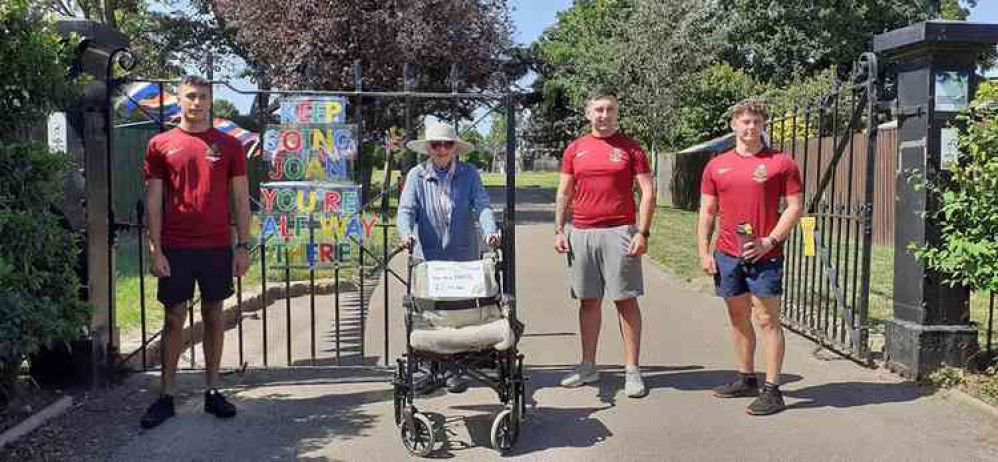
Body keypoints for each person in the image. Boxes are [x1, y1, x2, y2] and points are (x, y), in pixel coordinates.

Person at [140, 75, 252, 429]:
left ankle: (213, 390)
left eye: (203, 97)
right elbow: (154, 200)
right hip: (176, 246)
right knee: (174, 317)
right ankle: (166, 395)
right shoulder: (160, 144)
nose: (197, 102)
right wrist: (155, 248)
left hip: (217, 245)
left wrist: (243, 245)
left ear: (209, 101)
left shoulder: (230, 145)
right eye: (190, 96)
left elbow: (240, 198)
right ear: (179, 100)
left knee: (215, 314)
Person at [697, 99, 803, 416]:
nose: (750, 127)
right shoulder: (716, 165)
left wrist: (769, 241)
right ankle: (746, 378)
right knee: (737, 316)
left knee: (767, 319)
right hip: (727, 253)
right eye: (744, 121)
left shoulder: (781, 163)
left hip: (765, 254)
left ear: (763, 125)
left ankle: (772, 390)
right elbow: (707, 211)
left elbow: (795, 207)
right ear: (733, 125)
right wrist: (704, 251)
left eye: (756, 122)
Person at [554, 88, 655, 399]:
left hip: (620, 232)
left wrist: (642, 232)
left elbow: (648, 193)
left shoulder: (631, 149)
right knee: (588, 301)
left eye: (609, 109)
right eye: (598, 110)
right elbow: (564, 192)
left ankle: (632, 370)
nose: (604, 115)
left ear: (616, 112)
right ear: (589, 114)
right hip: (581, 232)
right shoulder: (575, 149)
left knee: (625, 301)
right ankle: (588, 366)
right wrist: (559, 229)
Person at [397, 121, 500, 393]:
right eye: (436, 144)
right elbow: (406, 210)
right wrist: (406, 233)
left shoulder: (469, 174)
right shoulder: (416, 176)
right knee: (429, 311)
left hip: (462, 256)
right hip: (428, 257)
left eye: (447, 144)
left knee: (459, 312)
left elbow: (483, 205)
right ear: (428, 148)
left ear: (455, 148)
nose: (442, 149)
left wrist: (490, 231)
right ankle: (430, 369)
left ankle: (455, 368)